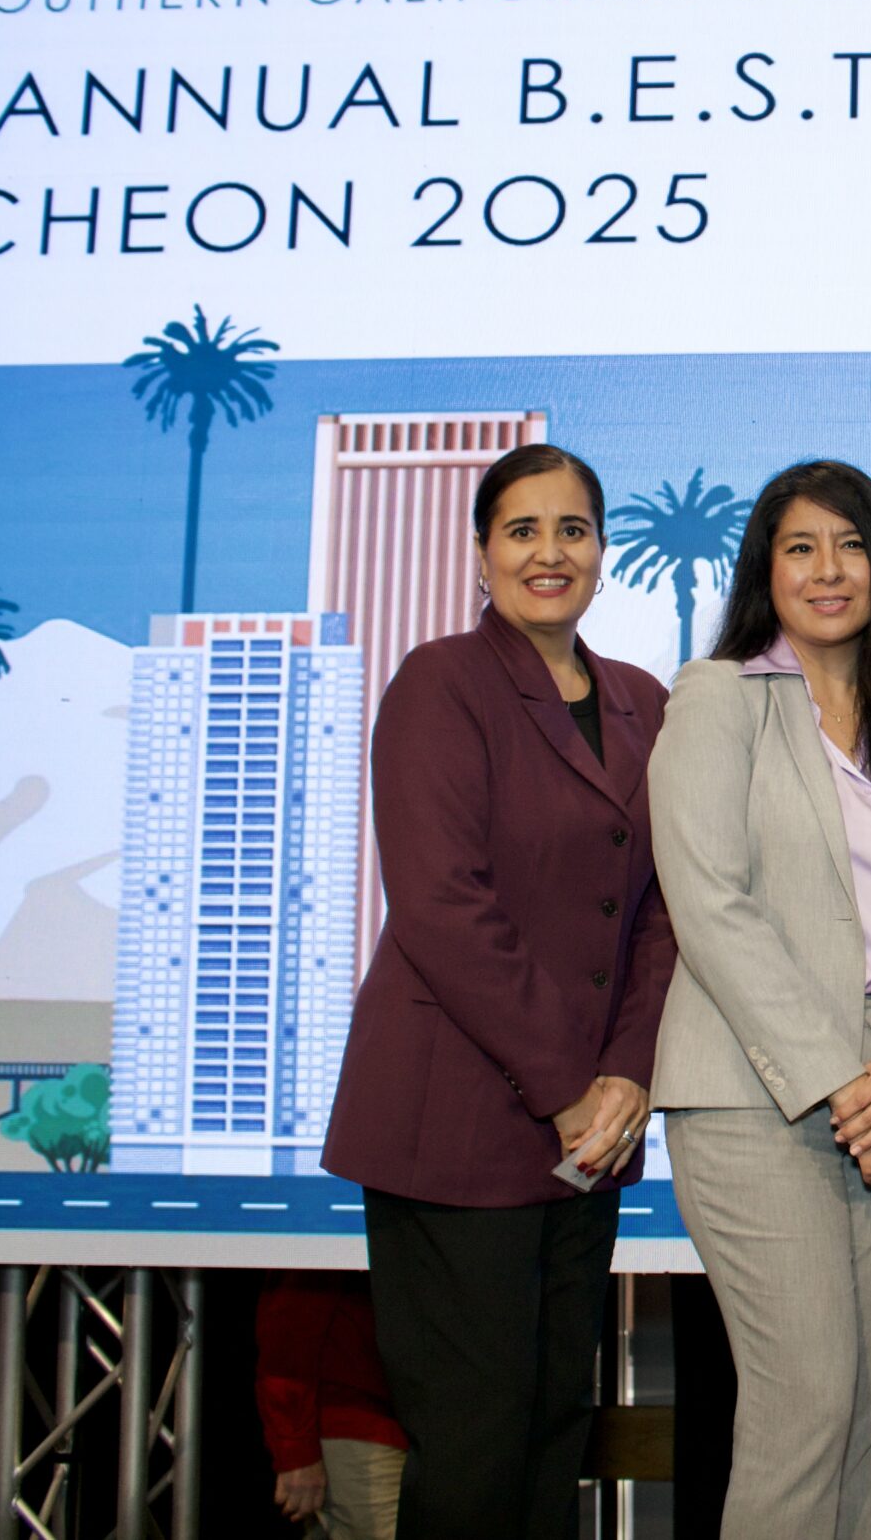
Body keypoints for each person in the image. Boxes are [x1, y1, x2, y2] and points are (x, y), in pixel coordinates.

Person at [321, 443, 675, 1540]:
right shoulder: (441, 682)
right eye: (522, 530)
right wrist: (571, 1086)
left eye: (573, 529)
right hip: (457, 1124)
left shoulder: (645, 701)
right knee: (472, 1451)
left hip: (590, 1134)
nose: (548, 551)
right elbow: (441, 905)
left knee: (551, 1436)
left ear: (603, 551)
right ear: (481, 554)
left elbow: (667, 909)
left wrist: (627, 1075)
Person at [649, 460, 871, 1540]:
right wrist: (845, 1085)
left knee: (859, 1417)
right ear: (766, 569)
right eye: (801, 547)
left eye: (851, 545)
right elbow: (711, 905)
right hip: (760, 1090)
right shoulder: (719, 698)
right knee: (805, 1406)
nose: (828, 569)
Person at [255, 1271, 407, 1540]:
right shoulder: (320, 1251)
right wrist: (296, 1449)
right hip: (356, 1426)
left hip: (394, 1423)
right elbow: (288, 1329)